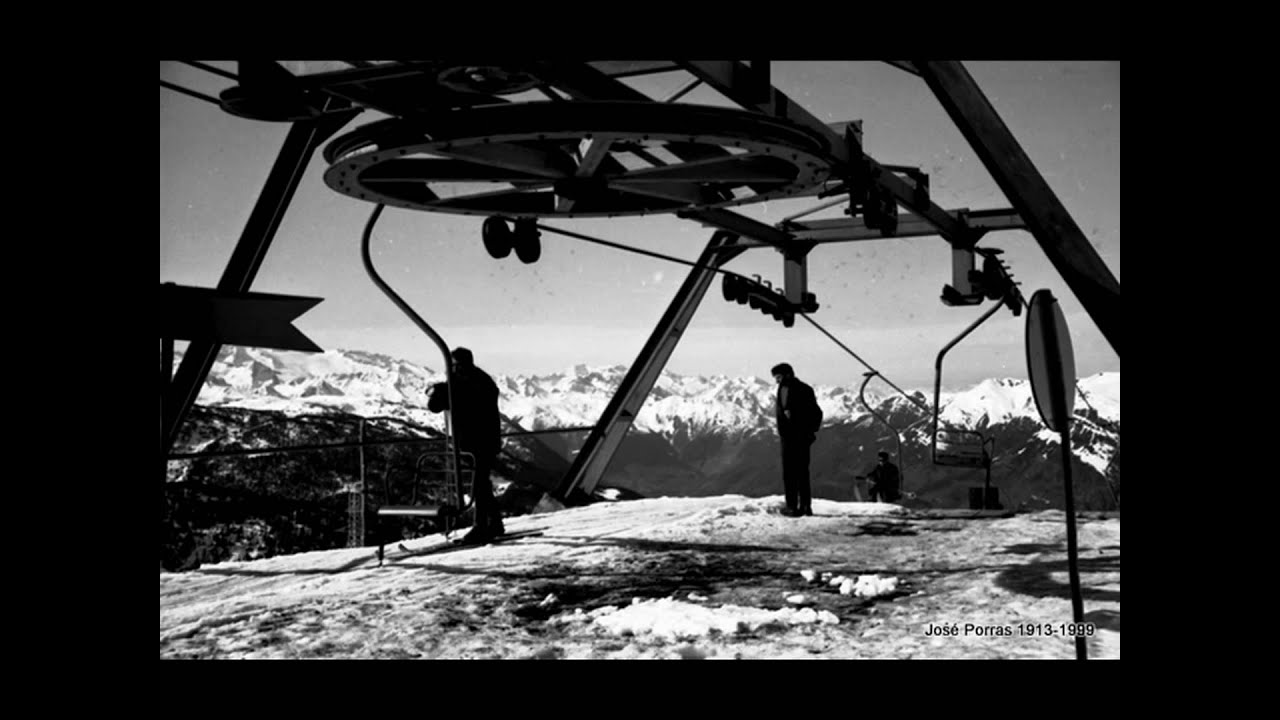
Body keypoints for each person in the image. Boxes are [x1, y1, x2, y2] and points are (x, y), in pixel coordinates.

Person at [428, 347, 504, 543]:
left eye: (453, 366)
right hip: (479, 440)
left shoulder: (471, 383)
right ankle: (494, 522)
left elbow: (445, 402)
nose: (451, 370)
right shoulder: (475, 381)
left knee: (479, 484)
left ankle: (481, 526)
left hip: (480, 440)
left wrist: (440, 390)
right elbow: (436, 405)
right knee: (482, 484)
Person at [772, 362, 820, 517]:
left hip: (789, 438)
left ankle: (792, 506)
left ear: (787, 375)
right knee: (802, 473)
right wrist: (810, 432)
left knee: (790, 473)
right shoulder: (806, 389)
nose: (776, 381)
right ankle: (806, 506)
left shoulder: (785, 389)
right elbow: (816, 413)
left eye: (778, 377)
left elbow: (787, 413)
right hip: (804, 438)